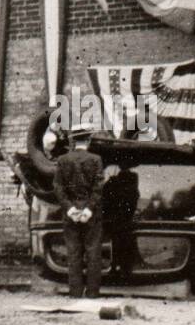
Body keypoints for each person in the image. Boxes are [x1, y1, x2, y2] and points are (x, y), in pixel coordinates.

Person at [54, 127, 104, 298]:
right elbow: (98, 188)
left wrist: (70, 209)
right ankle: (92, 293)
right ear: (88, 141)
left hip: (71, 213)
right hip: (92, 214)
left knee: (73, 252)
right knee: (93, 252)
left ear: (73, 142)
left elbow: (58, 188)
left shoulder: (62, 160)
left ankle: (75, 293)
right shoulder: (96, 159)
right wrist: (88, 209)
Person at [102, 161, 140, 277]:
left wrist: (111, 181)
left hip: (116, 218)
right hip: (126, 217)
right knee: (126, 244)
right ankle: (126, 269)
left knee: (117, 244)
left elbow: (106, 196)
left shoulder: (114, 181)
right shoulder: (133, 179)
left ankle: (116, 267)